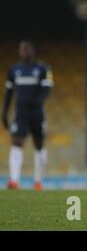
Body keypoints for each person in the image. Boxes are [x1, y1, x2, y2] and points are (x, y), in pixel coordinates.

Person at [2, 40, 53, 190]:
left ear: (32, 51)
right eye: (22, 50)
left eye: (27, 49)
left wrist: (37, 102)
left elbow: (46, 90)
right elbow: (9, 92)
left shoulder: (43, 68)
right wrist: (4, 111)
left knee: (39, 144)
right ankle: (14, 180)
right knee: (17, 142)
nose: (24, 52)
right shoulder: (14, 69)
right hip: (21, 112)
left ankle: (38, 182)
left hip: (37, 112)